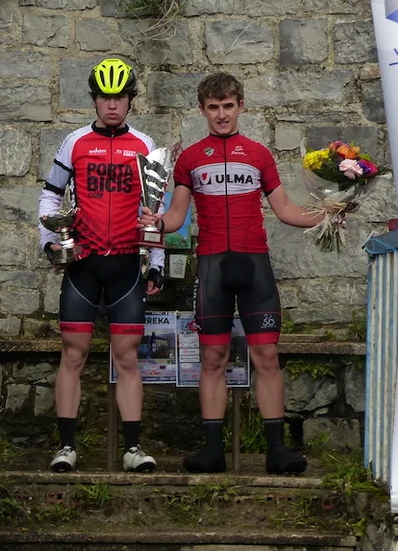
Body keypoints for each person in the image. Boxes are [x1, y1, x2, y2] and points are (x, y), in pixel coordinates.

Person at [140, 72, 330, 475]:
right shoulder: (191, 158)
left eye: (228, 106)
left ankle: (277, 451)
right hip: (213, 268)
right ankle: (212, 451)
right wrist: (153, 222)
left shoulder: (259, 155)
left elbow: (285, 210)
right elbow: (176, 218)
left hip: (254, 264)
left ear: (241, 106)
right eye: (214, 107)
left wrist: (328, 216)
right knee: (212, 358)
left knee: (267, 356)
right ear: (202, 110)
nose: (222, 114)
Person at [38, 58, 165, 473]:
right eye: (105, 97)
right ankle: (66, 447)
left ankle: (133, 449)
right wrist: (49, 242)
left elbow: (154, 209)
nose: (112, 105)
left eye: (120, 97)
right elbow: (50, 195)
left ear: (130, 100)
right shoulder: (74, 141)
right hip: (84, 264)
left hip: (127, 264)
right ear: (94, 99)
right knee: (73, 354)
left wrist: (157, 261)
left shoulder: (144, 144)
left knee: (127, 358)